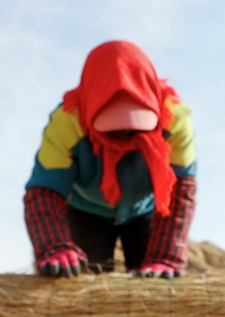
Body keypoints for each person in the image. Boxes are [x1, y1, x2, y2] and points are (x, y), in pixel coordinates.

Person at [24, 40, 197, 278]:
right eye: (113, 127)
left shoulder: (174, 119)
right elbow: (44, 191)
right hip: (86, 209)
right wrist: (54, 245)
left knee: (155, 284)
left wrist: (166, 257)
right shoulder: (67, 121)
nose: (125, 136)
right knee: (84, 282)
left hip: (147, 209)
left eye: (135, 126)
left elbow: (181, 187)